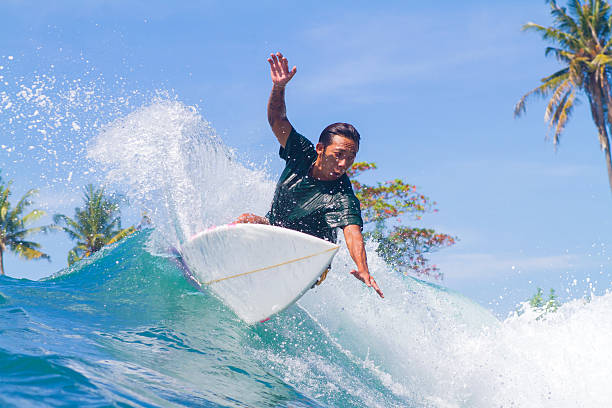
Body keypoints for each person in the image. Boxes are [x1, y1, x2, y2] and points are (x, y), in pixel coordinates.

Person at [237, 52, 383, 298]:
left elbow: (352, 231)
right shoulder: (300, 153)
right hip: (275, 232)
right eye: (338, 154)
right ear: (320, 149)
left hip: (308, 259)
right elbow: (277, 119)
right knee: (245, 220)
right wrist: (279, 87)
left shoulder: (342, 195)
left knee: (284, 255)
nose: (344, 162)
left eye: (351, 156)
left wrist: (363, 268)